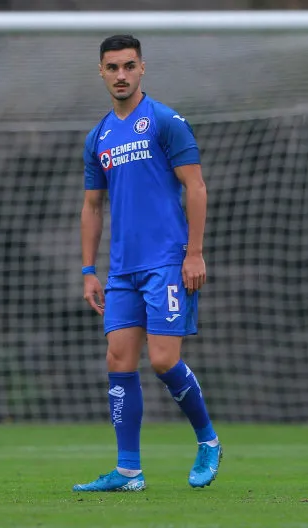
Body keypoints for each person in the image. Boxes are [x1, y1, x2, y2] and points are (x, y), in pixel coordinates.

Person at [74, 35, 221, 492]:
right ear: (100, 71)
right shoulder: (98, 136)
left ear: (142, 69)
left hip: (166, 263)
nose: (121, 75)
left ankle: (209, 440)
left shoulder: (164, 121)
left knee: (162, 360)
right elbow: (92, 206)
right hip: (122, 271)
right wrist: (88, 270)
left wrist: (193, 253)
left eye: (129, 66)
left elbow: (195, 188)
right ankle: (128, 471)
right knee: (118, 360)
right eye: (112, 67)